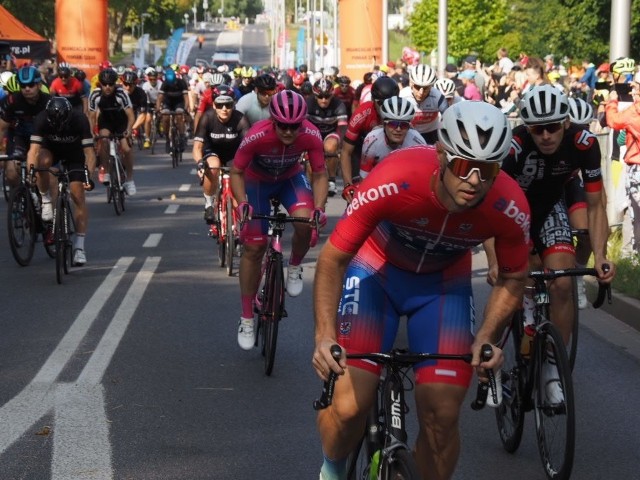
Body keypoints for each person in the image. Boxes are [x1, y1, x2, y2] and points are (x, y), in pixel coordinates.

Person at [312, 101, 531, 480]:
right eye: (464, 166)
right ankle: (332, 470)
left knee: (442, 417)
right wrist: (324, 336)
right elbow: (332, 260)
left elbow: (513, 277)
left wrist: (487, 337)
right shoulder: (396, 176)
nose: (475, 181)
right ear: (443, 155)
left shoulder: (508, 204)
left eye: (488, 170)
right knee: (349, 406)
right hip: (376, 273)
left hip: (443, 287)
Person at [495, 85, 615, 347]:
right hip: (514, 212)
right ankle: (519, 317)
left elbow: (595, 206)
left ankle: (552, 364)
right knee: (518, 278)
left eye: (553, 127)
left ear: (566, 122)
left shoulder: (585, 143)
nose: (546, 135)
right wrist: (494, 260)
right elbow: (494, 206)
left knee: (562, 282)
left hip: (551, 207)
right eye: (538, 129)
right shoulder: (513, 147)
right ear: (527, 128)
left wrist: (601, 255)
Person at [230, 90, 328, 350]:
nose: (288, 132)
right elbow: (236, 171)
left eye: (294, 126)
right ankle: (247, 317)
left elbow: (319, 173)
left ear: (302, 123)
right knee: (254, 247)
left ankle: (295, 265)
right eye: (283, 125)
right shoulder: (257, 135)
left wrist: (319, 207)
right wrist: (242, 204)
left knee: (305, 222)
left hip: (289, 180)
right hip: (256, 183)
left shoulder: (311, 134)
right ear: (273, 121)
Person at [27, 97, 96, 265]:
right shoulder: (42, 118)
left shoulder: (80, 119)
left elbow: (89, 153)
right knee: (42, 164)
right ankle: (45, 199)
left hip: (75, 153)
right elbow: (33, 151)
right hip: (51, 150)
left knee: (77, 193)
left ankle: (79, 247)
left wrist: (89, 177)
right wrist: (31, 173)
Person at [192, 84, 250, 228]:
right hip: (212, 151)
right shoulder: (207, 117)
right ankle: (209, 203)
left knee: (238, 191)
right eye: (220, 104)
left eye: (228, 104)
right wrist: (200, 163)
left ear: (234, 104)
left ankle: (238, 227)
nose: (224, 109)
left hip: (233, 154)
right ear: (214, 105)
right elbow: (197, 147)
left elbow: (249, 147)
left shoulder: (240, 119)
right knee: (213, 166)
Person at [340, 76, 399, 200]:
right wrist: (347, 185)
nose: (385, 107)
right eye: (381, 103)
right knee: (357, 196)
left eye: (389, 102)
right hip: (361, 152)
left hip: (392, 152)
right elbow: (346, 152)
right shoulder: (362, 114)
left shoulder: (403, 111)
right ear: (373, 100)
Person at [0, 66, 51, 190]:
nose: (27, 89)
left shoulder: (48, 102)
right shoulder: (12, 100)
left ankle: (43, 199)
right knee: (11, 174)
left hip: (41, 139)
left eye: (31, 85)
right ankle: (20, 196)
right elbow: (1, 129)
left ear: (39, 85)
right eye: (23, 86)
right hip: (19, 138)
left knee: (41, 168)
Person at [605, 78, 640, 257]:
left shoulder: (634, 111)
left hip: (636, 167)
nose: (632, 90)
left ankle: (628, 254)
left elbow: (613, 120)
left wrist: (612, 100)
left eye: (636, 87)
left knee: (632, 212)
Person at [89, 68, 136, 194]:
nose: (108, 87)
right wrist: (92, 132)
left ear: (115, 84)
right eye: (104, 84)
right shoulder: (95, 95)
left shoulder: (121, 94)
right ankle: (107, 171)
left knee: (126, 148)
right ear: (100, 84)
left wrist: (129, 129)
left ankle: (130, 179)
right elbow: (92, 116)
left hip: (121, 121)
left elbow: (131, 115)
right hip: (106, 121)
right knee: (103, 139)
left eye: (111, 84)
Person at [359, 96, 426, 178]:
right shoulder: (372, 140)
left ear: (409, 126)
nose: (398, 129)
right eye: (393, 124)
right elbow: (364, 176)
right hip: (379, 181)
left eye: (404, 125)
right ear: (384, 124)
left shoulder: (417, 141)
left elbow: (425, 176)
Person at [306, 78, 348, 196]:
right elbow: (301, 126)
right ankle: (309, 184)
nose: (324, 100)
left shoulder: (339, 104)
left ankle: (331, 181)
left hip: (331, 132)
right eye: (320, 97)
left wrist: (340, 146)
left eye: (327, 96)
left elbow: (343, 128)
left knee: (330, 146)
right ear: (314, 96)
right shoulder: (308, 104)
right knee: (310, 157)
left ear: (332, 95)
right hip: (313, 133)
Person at [399, 64, 448, 144]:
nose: (421, 92)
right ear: (411, 84)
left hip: (431, 134)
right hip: (409, 133)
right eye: (417, 87)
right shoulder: (402, 96)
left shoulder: (437, 96)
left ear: (431, 86)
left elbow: (447, 116)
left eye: (425, 88)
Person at [156, 68, 190, 154]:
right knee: (165, 117)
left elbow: (186, 98)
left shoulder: (182, 83)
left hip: (179, 102)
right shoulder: (165, 84)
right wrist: (157, 109)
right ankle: (167, 138)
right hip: (167, 103)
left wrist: (185, 109)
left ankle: (182, 136)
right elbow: (160, 98)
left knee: (179, 115)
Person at [141, 68, 163, 148]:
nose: (153, 81)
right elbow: (144, 97)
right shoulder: (145, 85)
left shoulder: (160, 84)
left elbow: (162, 96)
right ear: (148, 78)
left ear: (157, 78)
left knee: (162, 113)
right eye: (151, 79)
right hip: (149, 102)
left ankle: (160, 123)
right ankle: (147, 139)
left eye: (154, 79)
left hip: (159, 102)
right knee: (148, 119)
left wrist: (159, 106)